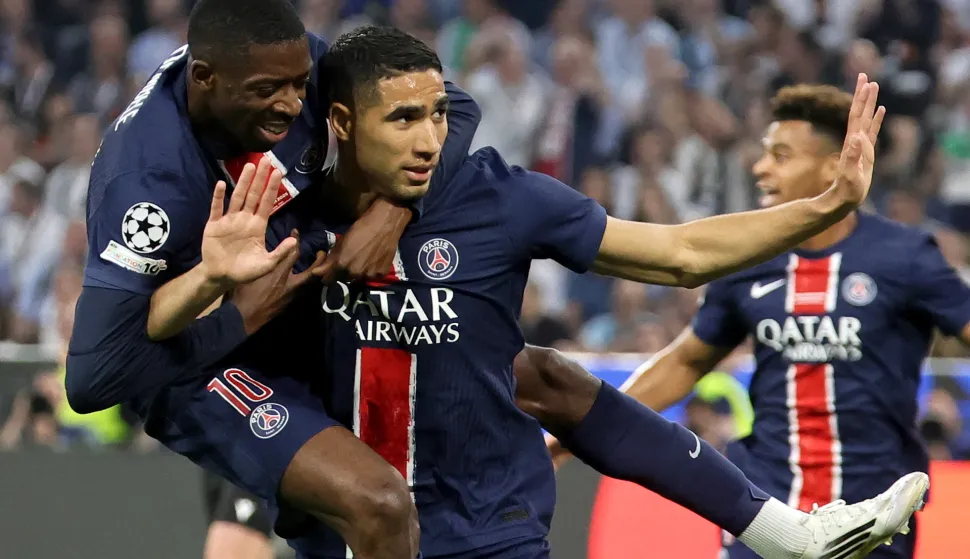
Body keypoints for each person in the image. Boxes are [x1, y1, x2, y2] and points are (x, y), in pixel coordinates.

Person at [272, 26, 926, 559]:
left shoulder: (503, 198)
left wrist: (826, 205)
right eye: (404, 118)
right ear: (342, 122)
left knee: (549, 374)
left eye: (440, 114)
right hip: (344, 534)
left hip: (489, 533)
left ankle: (789, 534)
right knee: (544, 374)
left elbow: (682, 252)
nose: (429, 140)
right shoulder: (284, 213)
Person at [64, 1, 481, 557]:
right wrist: (233, 315)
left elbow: (458, 110)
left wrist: (392, 214)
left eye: (298, 85)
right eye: (267, 91)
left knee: (522, 372)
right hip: (207, 362)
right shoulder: (148, 183)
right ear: (205, 79)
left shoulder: (291, 63)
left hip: (302, 302)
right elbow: (95, 378)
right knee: (378, 502)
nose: (291, 104)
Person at [545, 84, 963, 559]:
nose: (760, 168)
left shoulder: (906, 256)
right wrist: (576, 434)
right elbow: (684, 362)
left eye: (780, 156)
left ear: (834, 163)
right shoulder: (747, 258)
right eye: (764, 154)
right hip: (766, 511)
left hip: (878, 515)